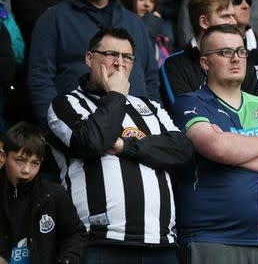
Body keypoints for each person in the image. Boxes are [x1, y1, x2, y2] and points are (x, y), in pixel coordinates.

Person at [47, 27, 194, 263]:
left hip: (161, 244)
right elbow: (91, 142)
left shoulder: (150, 106)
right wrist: (115, 95)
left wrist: (124, 146)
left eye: (127, 57)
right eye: (111, 54)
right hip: (99, 243)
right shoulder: (65, 103)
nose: (119, 63)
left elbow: (182, 150)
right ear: (89, 58)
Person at [172, 24, 258, 264]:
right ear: (204, 63)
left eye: (241, 51)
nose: (235, 58)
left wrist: (233, 150)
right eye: (224, 52)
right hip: (212, 238)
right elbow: (217, 148)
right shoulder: (189, 103)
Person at [28, 0, 160, 127]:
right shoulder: (52, 19)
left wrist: (154, 123)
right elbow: (40, 79)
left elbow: (151, 79)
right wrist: (57, 129)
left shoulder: (135, 23)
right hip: (79, 131)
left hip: (139, 132)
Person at [160, 0, 258, 113]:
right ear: (204, 21)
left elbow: (257, 111)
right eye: (226, 16)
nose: (234, 22)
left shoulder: (241, 58)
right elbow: (186, 113)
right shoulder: (174, 65)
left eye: (233, 16)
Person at [0, 121, 86, 264]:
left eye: (35, 163)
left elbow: (75, 235)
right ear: (3, 157)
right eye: (20, 160)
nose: (26, 170)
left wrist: (66, 260)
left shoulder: (54, 194)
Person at [118, 0, 172, 67]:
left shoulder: (160, 31)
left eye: (152, 0)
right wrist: (150, 22)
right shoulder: (120, 24)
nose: (147, 4)